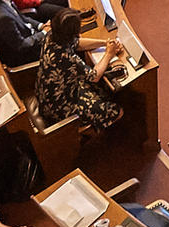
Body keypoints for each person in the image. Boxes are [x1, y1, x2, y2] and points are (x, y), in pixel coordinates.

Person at [36, 7, 129, 135]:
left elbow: (77, 43)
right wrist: (109, 53)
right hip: (59, 106)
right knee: (117, 111)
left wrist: (105, 43)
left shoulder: (51, 36)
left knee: (103, 89)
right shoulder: (66, 57)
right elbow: (94, 76)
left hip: (48, 96)